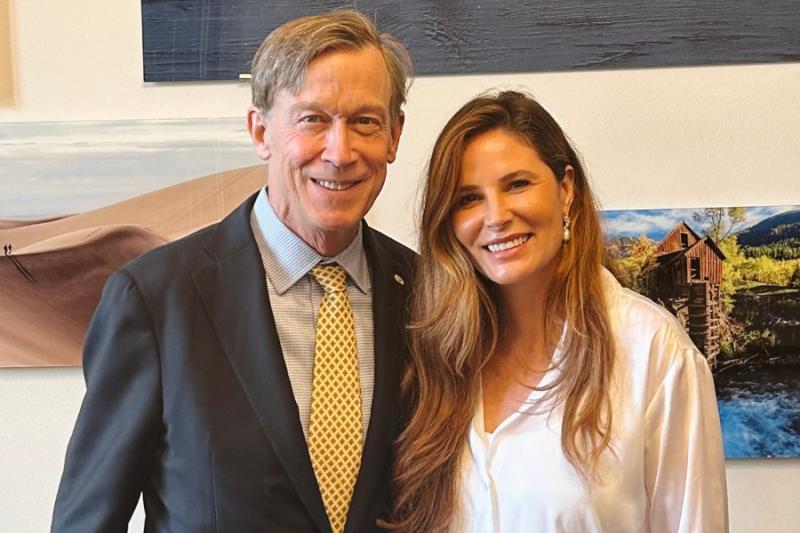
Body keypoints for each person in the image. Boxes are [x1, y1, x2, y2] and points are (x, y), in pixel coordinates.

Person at [52, 10, 414, 533]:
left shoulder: (427, 294)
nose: (340, 152)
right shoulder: (156, 300)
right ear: (261, 130)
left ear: (393, 136)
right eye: (312, 119)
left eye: (365, 121)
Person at [387, 91, 728, 532]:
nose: (496, 216)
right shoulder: (437, 357)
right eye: (468, 198)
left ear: (566, 189)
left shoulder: (652, 351)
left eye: (517, 184)